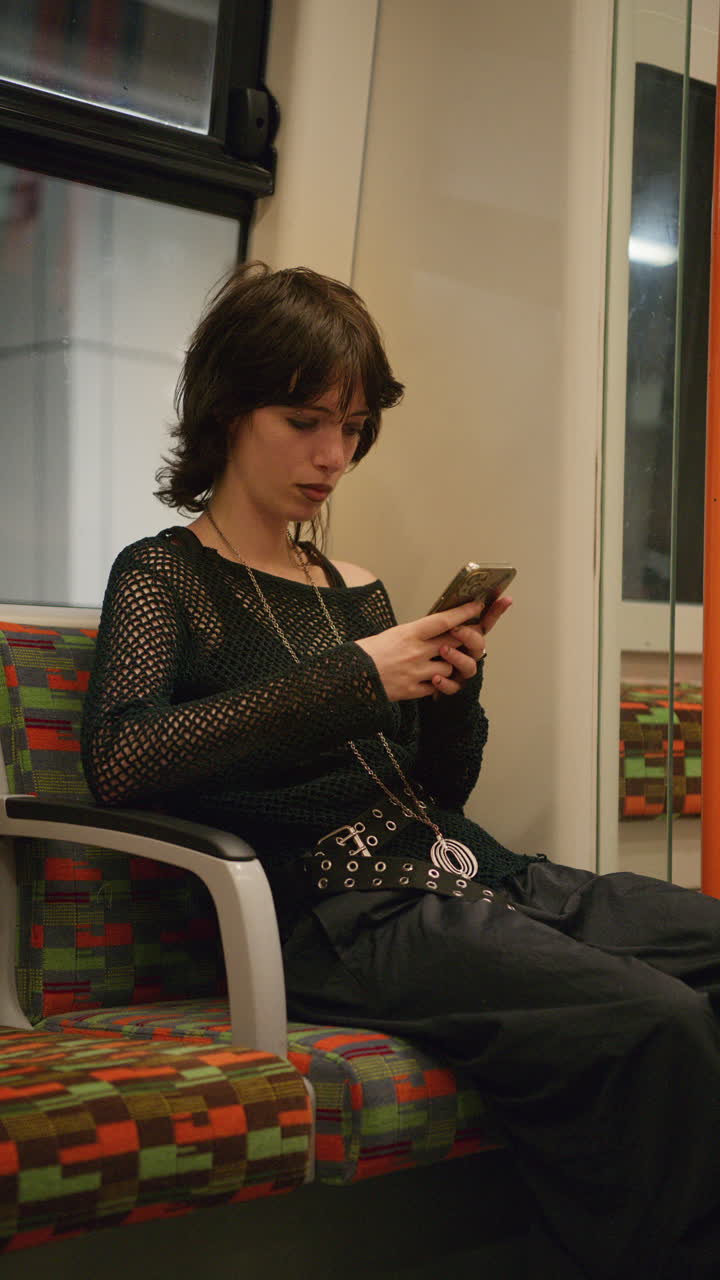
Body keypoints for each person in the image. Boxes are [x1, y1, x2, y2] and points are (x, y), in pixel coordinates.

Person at [82, 261, 720, 1280]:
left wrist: (452, 684)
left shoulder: (354, 584)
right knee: (658, 1022)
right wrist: (355, 676)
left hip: (477, 876)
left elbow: (440, 790)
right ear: (228, 410)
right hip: (343, 911)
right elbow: (124, 756)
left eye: (354, 426)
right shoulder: (163, 575)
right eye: (306, 421)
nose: (333, 456)